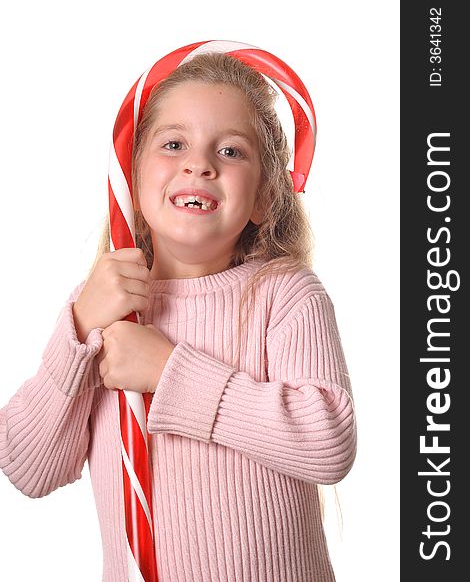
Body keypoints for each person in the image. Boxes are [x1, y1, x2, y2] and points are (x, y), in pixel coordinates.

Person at [0, 51, 357, 581]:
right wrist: (77, 329)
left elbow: (328, 442)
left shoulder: (284, 294)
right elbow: (30, 469)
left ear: (263, 196)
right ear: (133, 180)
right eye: (173, 144)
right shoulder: (105, 310)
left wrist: (169, 372)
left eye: (231, 150)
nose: (199, 164)